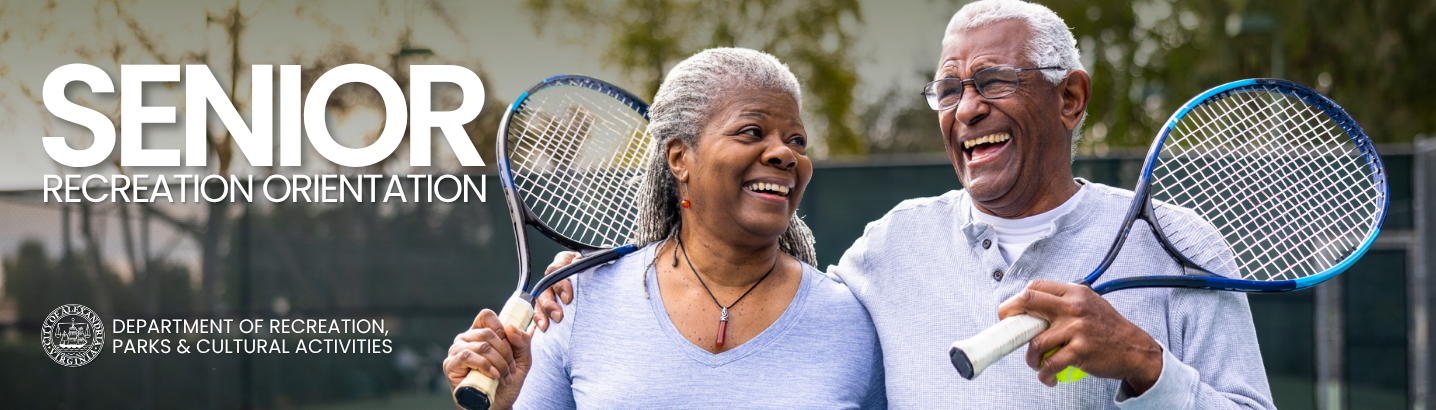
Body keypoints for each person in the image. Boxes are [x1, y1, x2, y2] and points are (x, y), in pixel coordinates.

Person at [535, 1, 1277, 408]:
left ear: (1071, 98)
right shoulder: (886, 252)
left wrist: (1145, 367)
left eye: (993, 82)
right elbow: (764, 307)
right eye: (949, 90)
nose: (967, 110)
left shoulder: (1179, 245)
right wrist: (592, 284)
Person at [442, 47, 886, 409]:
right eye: (752, 132)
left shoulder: (849, 320)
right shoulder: (574, 303)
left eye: (797, 141)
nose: (785, 154)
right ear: (679, 159)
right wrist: (496, 407)